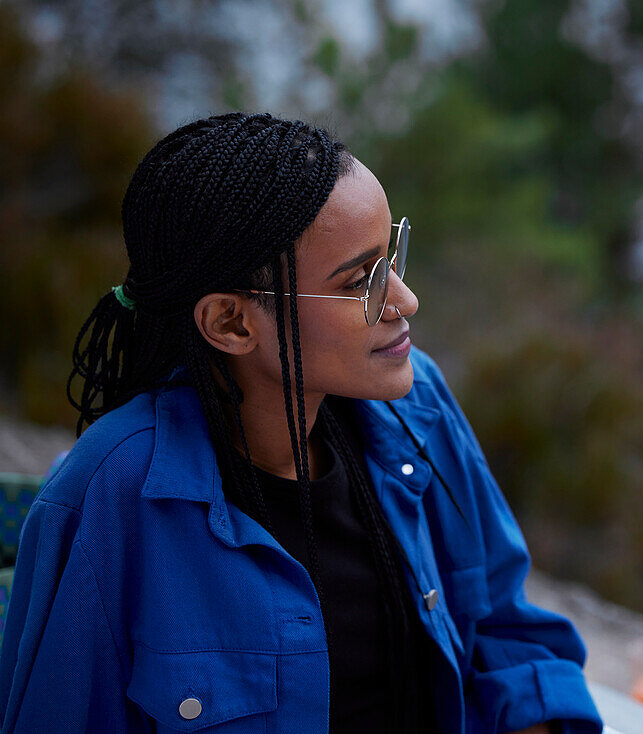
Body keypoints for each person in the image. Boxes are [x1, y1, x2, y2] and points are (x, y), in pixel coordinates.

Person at [0, 113, 603, 733]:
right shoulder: (109, 500)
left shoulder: (418, 409)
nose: (403, 300)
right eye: (358, 282)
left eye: (391, 257)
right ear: (232, 323)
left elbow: (508, 630)